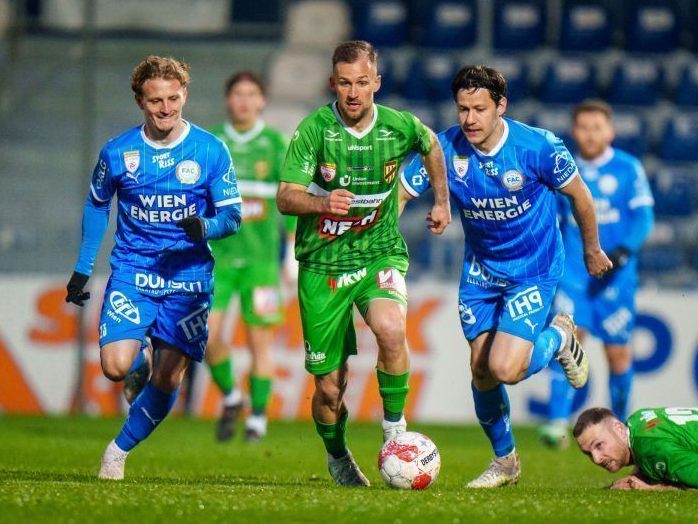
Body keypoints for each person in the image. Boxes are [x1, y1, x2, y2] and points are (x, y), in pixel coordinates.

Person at [399, 65, 611, 488]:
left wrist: (592, 249)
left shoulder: (538, 147)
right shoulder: (443, 149)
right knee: (481, 370)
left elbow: (581, 197)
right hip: (480, 273)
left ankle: (559, 338)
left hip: (533, 270)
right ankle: (506, 462)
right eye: (463, 109)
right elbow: (400, 195)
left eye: (479, 109)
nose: (470, 119)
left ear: (501, 106)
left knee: (505, 368)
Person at [276, 40, 450, 487]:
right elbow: (285, 197)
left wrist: (442, 202)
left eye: (361, 83)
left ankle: (395, 432)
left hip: (378, 253)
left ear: (377, 83)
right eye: (344, 83)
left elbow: (431, 144)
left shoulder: (398, 126)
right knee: (329, 388)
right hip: (324, 266)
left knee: (391, 328)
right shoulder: (314, 130)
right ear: (332, 84)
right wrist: (321, 202)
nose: (353, 93)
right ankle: (337, 455)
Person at [65, 56, 241, 480]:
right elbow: (97, 204)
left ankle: (117, 452)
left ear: (185, 95)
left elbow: (232, 216)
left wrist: (206, 226)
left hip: (189, 278)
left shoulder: (210, 150)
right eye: (156, 101)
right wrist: (83, 268)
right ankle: (137, 360)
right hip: (134, 270)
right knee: (114, 367)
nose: (166, 108)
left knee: (168, 379)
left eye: (173, 98)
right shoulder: (118, 152)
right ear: (140, 102)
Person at [540, 100, 655, 449]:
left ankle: (622, 426)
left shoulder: (628, 168)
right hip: (574, 275)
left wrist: (624, 250)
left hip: (616, 278)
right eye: (584, 127)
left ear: (610, 131)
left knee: (618, 355)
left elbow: (644, 218)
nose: (590, 134)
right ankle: (556, 423)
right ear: (574, 132)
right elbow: (554, 220)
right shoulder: (564, 169)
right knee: (567, 343)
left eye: (597, 127)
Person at [206, 71, 295, 443]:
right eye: (237, 93)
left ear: (262, 100)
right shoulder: (213, 143)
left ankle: (257, 418)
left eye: (251, 94)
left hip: (261, 264)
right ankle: (231, 397)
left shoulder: (275, 144)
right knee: (205, 336)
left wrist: (291, 253)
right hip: (217, 261)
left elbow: (290, 198)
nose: (244, 100)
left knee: (260, 342)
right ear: (228, 99)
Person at [574, 406, 698, 490]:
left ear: (619, 429)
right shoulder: (637, 419)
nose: (596, 459)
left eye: (599, 445)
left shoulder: (653, 449)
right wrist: (638, 476)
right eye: (588, 453)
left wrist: (653, 489)